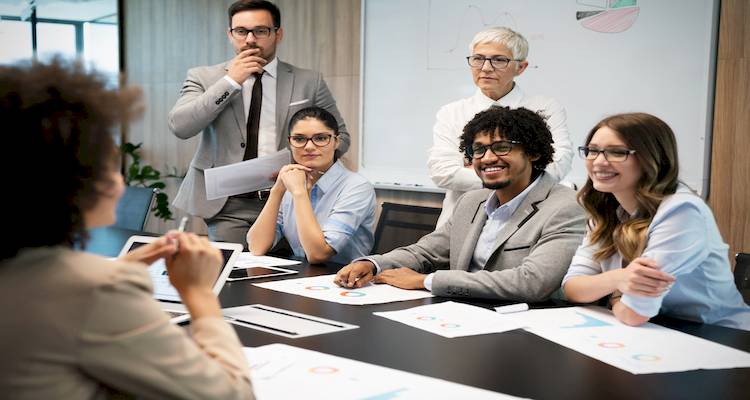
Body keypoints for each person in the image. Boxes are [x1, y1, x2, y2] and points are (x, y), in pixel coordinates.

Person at [0, 61, 254, 399]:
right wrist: (199, 294)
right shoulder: (94, 290)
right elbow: (230, 394)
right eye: (108, 164)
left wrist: (121, 270)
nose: (120, 181)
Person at [335, 106, 585, 301]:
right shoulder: (472, 201)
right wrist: (372, 263)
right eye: (478, 150)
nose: (487, 158)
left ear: (533, 152)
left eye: (501, 147)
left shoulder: (565, 207)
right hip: (459, 317)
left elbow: (532, 282)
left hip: (525, 327)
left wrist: (426, 281)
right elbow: (425, 252)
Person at [169, 0, 349, 245]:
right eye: (241, 31)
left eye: (260, 31)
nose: (250, 39)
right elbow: (181, 126)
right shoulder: (203, 77)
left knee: (289, 276)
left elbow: (341, 138)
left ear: (278, 34)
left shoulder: (309, 81)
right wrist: (231, 82)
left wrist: (298, 163)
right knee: (232, 276)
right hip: (226, 204)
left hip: (288, 199)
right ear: (230, 35)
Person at [562, 113, 750, 330]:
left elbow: (634, 313)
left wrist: (613, 297)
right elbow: (573, 288)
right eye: (592, 150)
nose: (599, 162)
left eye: (617, 152)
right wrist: (619, 279)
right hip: (658, 332)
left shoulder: (683, 211)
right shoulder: (606, 209)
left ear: (651, 158)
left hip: (720, 336)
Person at [428, 26, 573, 227]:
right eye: (478, 58)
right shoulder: (451, 112)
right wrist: (514, 175)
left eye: (499, 60)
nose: (486, 67)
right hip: (461, 222)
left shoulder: (545, 108)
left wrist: (482, 172)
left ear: (521, 67)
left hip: (524, 223)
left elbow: (557, 164)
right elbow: (443, 172)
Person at [247, 107, 376, 264]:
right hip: (300, 278)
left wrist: (300, 193)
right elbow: (257, 247)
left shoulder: (357, 187)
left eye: (320, 138)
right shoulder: (292, 182)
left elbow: (318, 254)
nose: (308, 146)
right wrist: (278, 190)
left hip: (342, 279)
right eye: (299, 139)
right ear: (290, 143)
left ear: (336, 141)